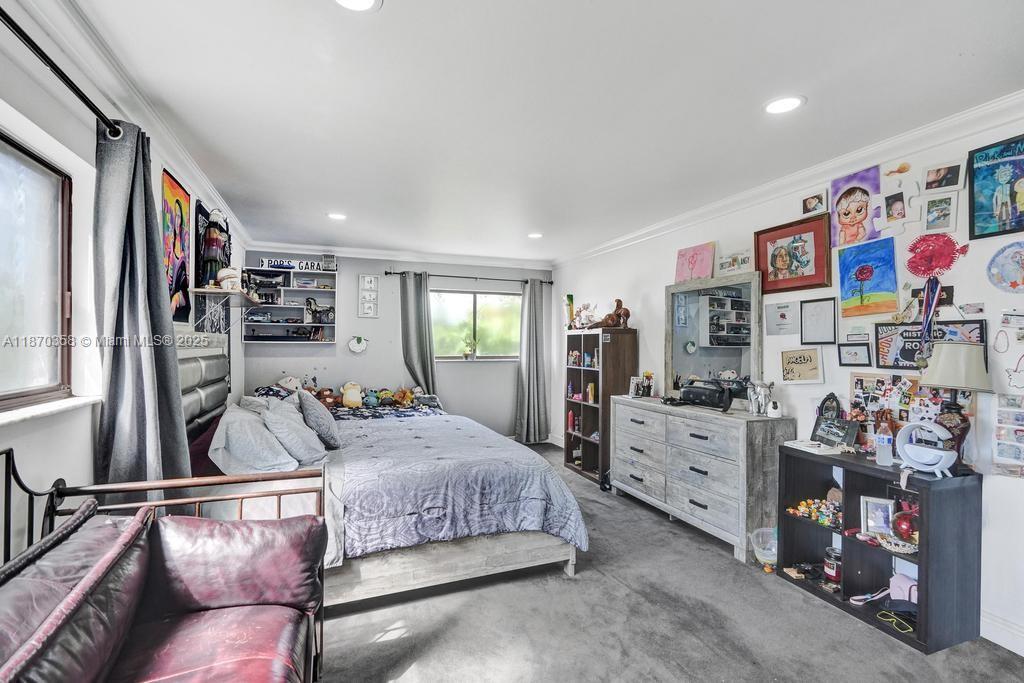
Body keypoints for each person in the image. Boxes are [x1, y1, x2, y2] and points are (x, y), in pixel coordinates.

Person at [168, 199, 190, 318]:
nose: (177, 221)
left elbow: (185, 287)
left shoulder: (184, 253)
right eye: (175, 216)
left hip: (178, 306)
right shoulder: (170, 246)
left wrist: (176, 298)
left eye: (179, 217)